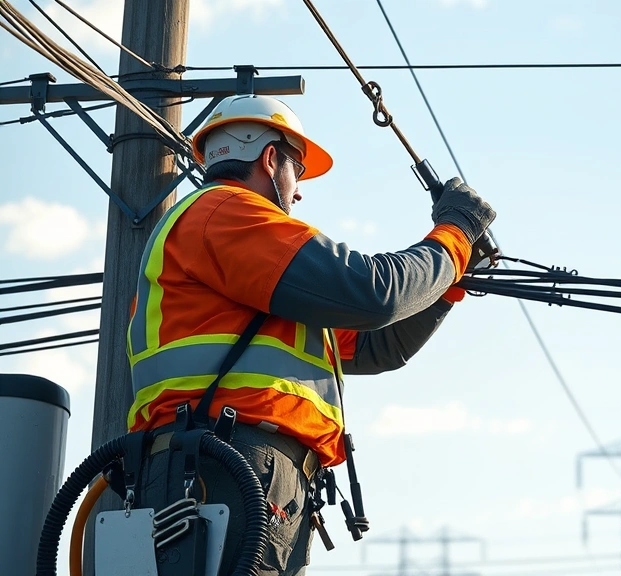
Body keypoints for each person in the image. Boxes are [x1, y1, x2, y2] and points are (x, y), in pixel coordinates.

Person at [124, 94, 496, 575]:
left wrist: (446, 284)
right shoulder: (227, 213)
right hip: (228, 463)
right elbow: (373, 292)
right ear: (270, 157)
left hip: (232, 466)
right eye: (297, 169)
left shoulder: (243, 260)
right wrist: (454, 236)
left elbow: (376, 343)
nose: (298, 192)